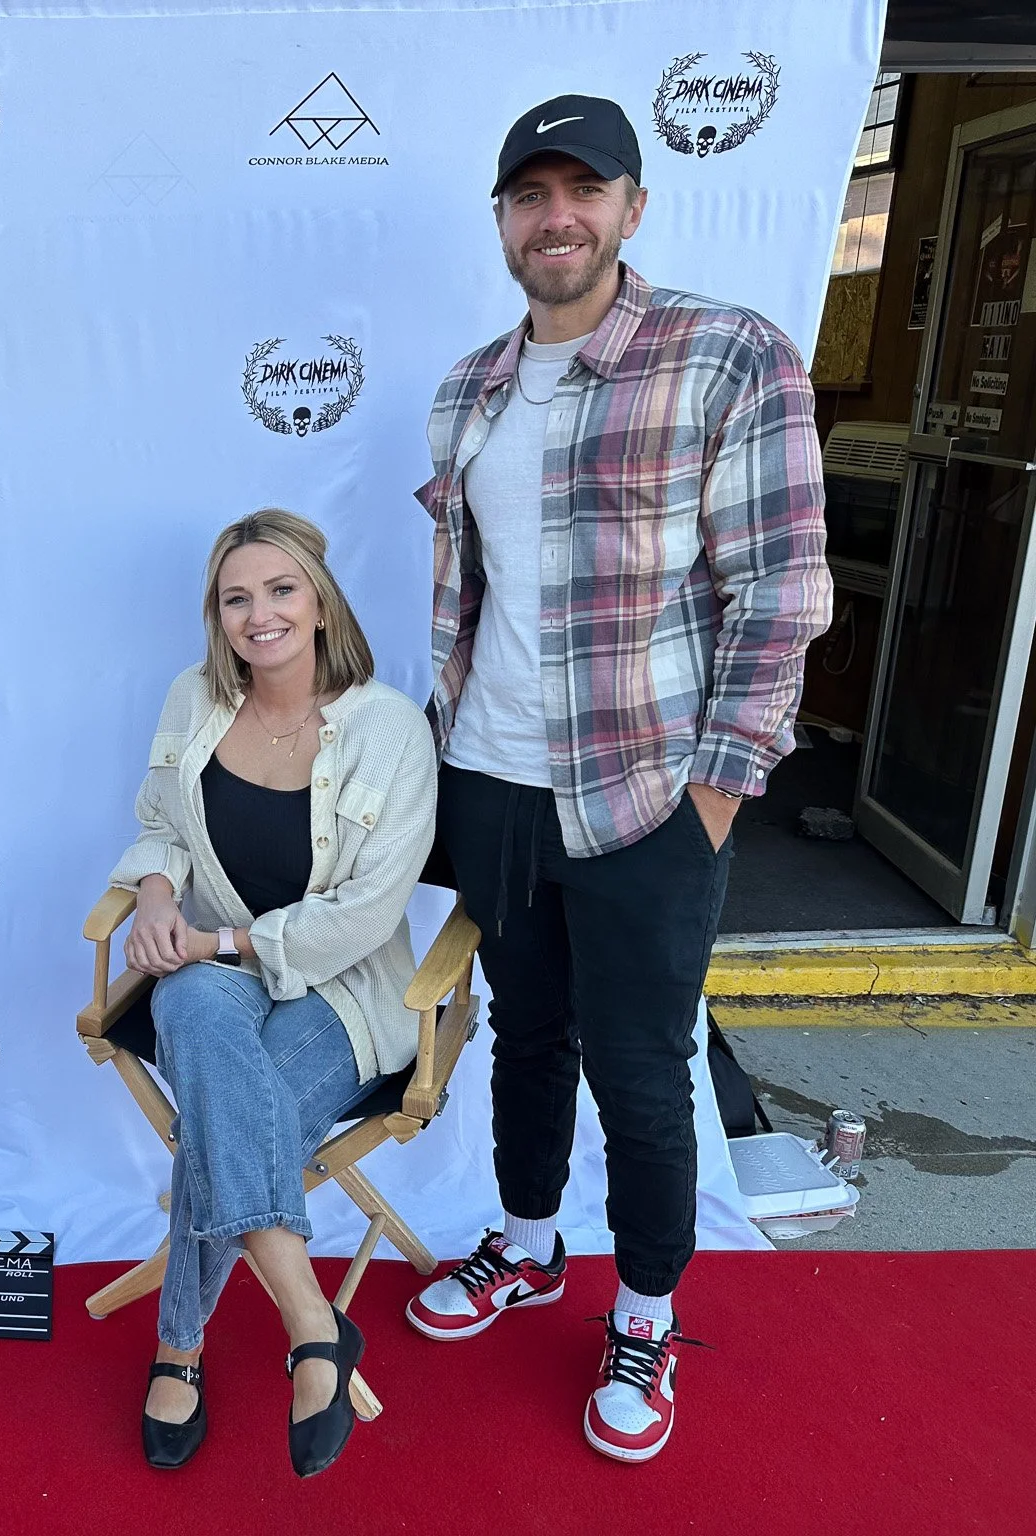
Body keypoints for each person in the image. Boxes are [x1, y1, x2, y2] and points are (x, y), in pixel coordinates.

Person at [406, 96, 830, 1464]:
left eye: (583, 189)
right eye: (530, 194)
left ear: (633, 206)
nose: (557, 216)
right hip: (490, 781)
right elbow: (473, 597)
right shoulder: (467, 389)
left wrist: (720, 788)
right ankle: (528, 1242)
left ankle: (643, 1313)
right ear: (504, 222)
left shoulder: (727, 358)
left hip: (648, 793)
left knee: (643, 1072)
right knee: (525, 1036)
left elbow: (781, 591)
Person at [109, 510, 437, 1478]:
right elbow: (158, 823)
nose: (259, 615)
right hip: (205, 977)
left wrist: (216, 935)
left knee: (225, 1118)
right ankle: (310, 1323)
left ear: (320, 599)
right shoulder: (192, 699)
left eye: (279, 590)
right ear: (215, 616)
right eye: (235, 598)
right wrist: (158, 895)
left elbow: (366, 914)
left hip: (340, 992)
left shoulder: (388, 731)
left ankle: (180, 1350)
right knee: (209, 1039)